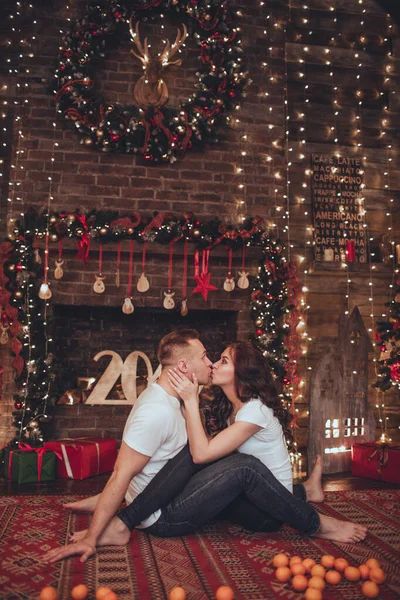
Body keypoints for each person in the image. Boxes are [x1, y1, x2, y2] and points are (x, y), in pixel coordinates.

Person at [44, 335, 367, 564]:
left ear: (239, 374)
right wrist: (106, 504)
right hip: (206, 504)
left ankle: (315, 520)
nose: (211, 364)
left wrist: (190, 400)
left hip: (264, 509)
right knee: (225, 462)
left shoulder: (246, 410)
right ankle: (305, 491)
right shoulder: (190, 408)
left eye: (221, 360)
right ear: (184, 366)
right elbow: (147, 468)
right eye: (207, 358)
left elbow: (196, 458)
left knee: (239, 466)